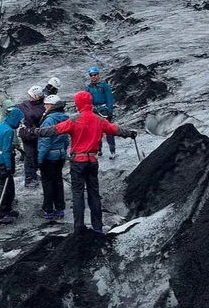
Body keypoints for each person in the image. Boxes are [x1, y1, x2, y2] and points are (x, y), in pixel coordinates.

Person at [32, 90, 138, 233]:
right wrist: (130, 133)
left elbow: (54, 130)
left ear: (78, 104)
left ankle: (79, 228)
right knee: (94, 194)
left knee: (78, 194)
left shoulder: (75, 119)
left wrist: (34, 131)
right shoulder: (99, 119)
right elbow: (115, 130)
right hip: (92, 160)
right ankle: (98, 227)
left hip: (78, 161)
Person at [36, 94, 71, 221]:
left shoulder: (49, 120)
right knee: (58, 181)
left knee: (48, 183)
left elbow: (45, 142)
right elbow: (66, 139)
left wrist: (40, 159)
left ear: (52, 106)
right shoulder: (65, 119)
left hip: (49, 157)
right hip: (60, 155)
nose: (44, 106)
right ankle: (60, 208)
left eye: (46, 104)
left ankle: (48, 210)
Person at [0, 106, 23, 225]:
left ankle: (7, 210)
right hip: (3, 162)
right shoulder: (9, 131)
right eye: (19, 121)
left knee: (9, 187)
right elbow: (6, 150)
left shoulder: (2, 125)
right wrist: (9, 167)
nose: (19, 123)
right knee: (4, 188)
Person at [15, 85, 50, 188]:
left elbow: (32, 115)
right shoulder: (27, 104)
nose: (29, 97)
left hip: (34, 136)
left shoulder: (41, 108)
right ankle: (30, 178)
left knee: (33, 157)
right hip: (27, 136)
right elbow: (20, 107)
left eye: (31, 95)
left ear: (37, 97)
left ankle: (32, 178)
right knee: (29, 157)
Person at [86, 67, 118, 154]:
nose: (93, 77)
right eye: (91, 75)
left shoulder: (104, 86)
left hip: (104, 110)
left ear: (99, 75)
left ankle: (112, 150)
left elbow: (109, 99)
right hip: (94, 110)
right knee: (96, 130)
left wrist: (109, 110)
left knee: (108, 130)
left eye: (95, 75)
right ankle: (98, 149)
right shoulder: (88, 87)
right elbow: (87, 100)